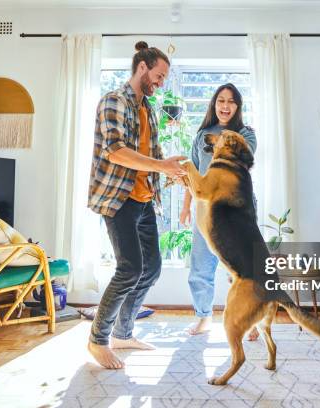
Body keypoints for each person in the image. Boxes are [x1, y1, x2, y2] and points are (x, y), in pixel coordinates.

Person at [87, 41, 187, 369]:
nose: (160, 83)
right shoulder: (114, 101)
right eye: (158, 76)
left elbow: (152, 158)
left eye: (163, 79)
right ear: (142, 68)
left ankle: (123, 333)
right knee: (129, 267)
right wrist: (161, 166)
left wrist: (173, 171)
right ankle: (97, 339)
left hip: (144, 200)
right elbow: (115, 151)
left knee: (152, 267)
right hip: (119, 199)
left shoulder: (148, 110)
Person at [179, 83, 260, 340]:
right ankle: (204, 317)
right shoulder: (202, 133)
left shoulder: (246, 134)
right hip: (205, 212)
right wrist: (185, 207)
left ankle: (249, 319)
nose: (225, 106)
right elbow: (190, 172)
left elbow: (239, 162)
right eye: (221, 101)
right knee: (200, 267)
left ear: (238, 106)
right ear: (214, 104)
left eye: (231, 101)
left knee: (239, 269)